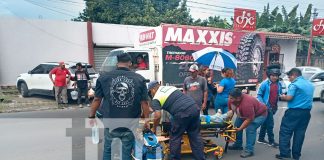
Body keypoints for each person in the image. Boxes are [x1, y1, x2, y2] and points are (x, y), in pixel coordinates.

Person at [88, 53, 151, 160]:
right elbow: (144, 103)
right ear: (130, 63)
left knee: (108, 149)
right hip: (130, 123)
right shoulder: (140, 79)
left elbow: (97, 99)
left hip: (111, 122)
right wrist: (146, 121)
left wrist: (91, 117)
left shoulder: (104, 78)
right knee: (126, 151)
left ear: (117, 63)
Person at [148, 80, 205, 160]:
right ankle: (200, 158)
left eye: (150, 92)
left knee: (175, 138)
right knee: (195, 136)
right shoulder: (170, 88)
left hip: (182, 113)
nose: (151, 94)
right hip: (194, 108)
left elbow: (157, 116)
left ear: (153, 89)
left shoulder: (156, 98)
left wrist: (153, 128)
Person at [276, 68, 314, 160]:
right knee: (300, 134)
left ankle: (285, 154)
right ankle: (296, 155)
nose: (289, 79)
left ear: (293, 75)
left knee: (285, 132)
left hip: (294, 112)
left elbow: (289, 98)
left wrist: (282, 96)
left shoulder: (294, 84)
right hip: (306, 113)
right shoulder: (310, 84)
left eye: (289, 77)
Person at [227, 88, 267, 158]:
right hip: (244, 114)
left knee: (250, 129)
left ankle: (249, 150)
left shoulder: (247, 103)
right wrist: (227, 122)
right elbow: (231, 112)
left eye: (231, 98)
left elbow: (249, 119)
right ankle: (238, 144)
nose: (229, 99)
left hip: (259, 114)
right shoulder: (231, 100)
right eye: (229, 97)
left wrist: (240, 128)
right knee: (236, 126)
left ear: (238, 98)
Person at [256, 64, 282, 147]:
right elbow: (259, 95)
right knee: (270, 125)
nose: (275, 77)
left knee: (265, 123)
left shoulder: (279, 84)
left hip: (274, 107)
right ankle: (271, 141)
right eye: (273, 75)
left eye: (276, 76)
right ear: (269, 75)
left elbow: (279, 94)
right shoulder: (265, 84)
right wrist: (263, 104)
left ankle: (261, 138)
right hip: (267, 107)